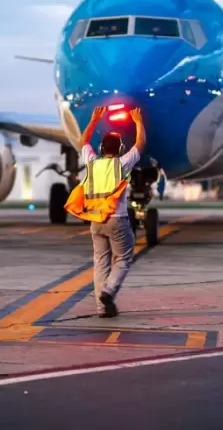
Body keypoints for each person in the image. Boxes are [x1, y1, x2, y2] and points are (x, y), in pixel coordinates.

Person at [69, 106, 146, 318]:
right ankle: (109, 291)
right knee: (123, 259)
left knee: (100, 263)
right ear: (120, 149)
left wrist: (94, 120)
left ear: (102, 148)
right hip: (117, 220)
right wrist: (138, 121)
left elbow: (83, 142)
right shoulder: (121, 164)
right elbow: (140, 145)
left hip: (95, 220)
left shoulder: (92, 163)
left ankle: (102, 308)